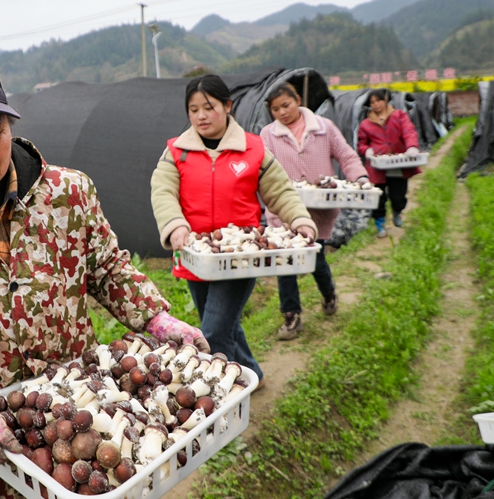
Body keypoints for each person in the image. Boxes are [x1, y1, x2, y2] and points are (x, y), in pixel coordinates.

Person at [0, 56, 209, 499]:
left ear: (10, 126)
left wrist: (157, 318)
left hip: (66, 426)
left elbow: (106, 267)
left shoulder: (67, 194)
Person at [150, 74, 317, 387]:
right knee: (225, 325)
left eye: (209, 107)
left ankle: (225, 392)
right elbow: (162, 191)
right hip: (195, 254)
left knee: (213, 332)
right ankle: (256, 374)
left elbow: (279, 190)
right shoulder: (177, 152)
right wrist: (175, 226)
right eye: (194, 109)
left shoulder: (252, 149)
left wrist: (300, 219)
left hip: (239, 256)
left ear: (227, 106)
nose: (201, 115)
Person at [260, 82, 369, 340]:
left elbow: (346, 156)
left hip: (319, 210)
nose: (282, 112)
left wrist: (361, 178)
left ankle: (328, 292)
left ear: (297, 99)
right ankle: (291, 316)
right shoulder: (268, 134)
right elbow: (262, 168)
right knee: (285, 261)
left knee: (315, 259)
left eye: (286, 105)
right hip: (283, 211)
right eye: (276, 109)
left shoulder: (323, 127)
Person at [357, 88, 420, 238]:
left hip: (397, 162)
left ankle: (397, 211)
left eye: (378, 100)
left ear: (385, 100)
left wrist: (411, 146)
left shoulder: (398, 115)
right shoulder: (366, 124)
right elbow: (361, 143)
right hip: (376, 166)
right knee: (378, 197)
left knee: (398, 194)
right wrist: (367, 151)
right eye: (372, 102)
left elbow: (408, 131)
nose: (376, 104)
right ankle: (380, 225)